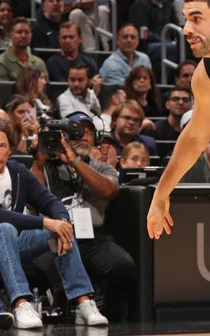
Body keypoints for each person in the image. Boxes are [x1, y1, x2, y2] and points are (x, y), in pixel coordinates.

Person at [0, 120, 108, 328]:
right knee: (5, 227)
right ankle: (21, 303)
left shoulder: (18, 172)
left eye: (1, 146)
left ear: (10, 149)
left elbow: (49, 201)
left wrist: (62, 222)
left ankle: (83, 302)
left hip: (13, 240)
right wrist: (46, 222)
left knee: (60, 230)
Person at [30, 113, 136, 322]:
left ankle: (114, 319)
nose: (82, 138)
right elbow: (31, 199)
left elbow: (108, 191)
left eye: (87, 132)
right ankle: (63, 311)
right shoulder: (49, 166)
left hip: (93, 239)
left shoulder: (101, 167)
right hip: (54, 238)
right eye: (75, 133)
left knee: (124, 265)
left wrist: (75, 161)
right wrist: (39, 159)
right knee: (42, 264)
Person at [0, 17, 48, 84]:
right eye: (19, 32)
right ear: (10, 35)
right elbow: (1, 91)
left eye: (27, 32)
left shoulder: (39, 63)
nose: (23, 36)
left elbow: (46, 89)